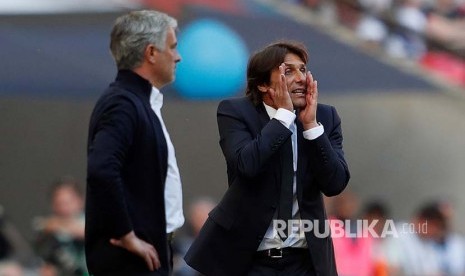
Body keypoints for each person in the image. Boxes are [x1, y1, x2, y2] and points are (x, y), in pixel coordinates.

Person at [185, 41, 350, 276]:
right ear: (263, 84)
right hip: (249, 260)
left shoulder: (325, 116)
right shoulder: (235, 112)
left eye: (303, 69)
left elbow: (335, 183)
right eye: (288, 71)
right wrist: (283, 118)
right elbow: (246, 165)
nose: (301, 78)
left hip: (304, 261)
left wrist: (311, 127)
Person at [86, 10, 184, 275]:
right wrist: (125, 234)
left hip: (149, 251)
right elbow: (102, 169)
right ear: (151, 53)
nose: (178, 56)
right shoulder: (123, 104)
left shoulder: (139, 102)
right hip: (131, 259)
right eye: (172, 47)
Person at [34, 176, 86, 275]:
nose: (64, 208)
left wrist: (59, 225)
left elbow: (87, 232)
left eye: (68, 202)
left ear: (80, 201)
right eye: (59, 203)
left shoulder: (91, 220)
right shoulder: (50, 231)